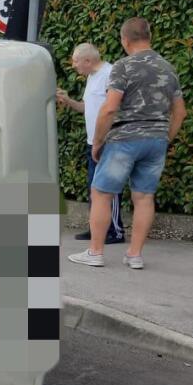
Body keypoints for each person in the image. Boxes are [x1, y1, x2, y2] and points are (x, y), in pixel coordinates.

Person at [69, 18, 186, 269]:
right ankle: (134, 255)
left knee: (101, 193)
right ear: (149, 35)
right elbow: (180, 112)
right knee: (144, 197)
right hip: (156, 140)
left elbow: (109, 109)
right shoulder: (168, 68)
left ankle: (96, 252)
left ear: (125, 39)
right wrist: (165, 139)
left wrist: (98, 141)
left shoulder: (123, 67)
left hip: (124, 139)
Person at [57, 42, 125, 244]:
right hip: (93, 141)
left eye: (76, 62)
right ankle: (97, 228)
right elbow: (86, 107)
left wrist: (104, 137)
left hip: (109, 141)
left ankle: (115, 231)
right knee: (93, 187)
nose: (74, 66)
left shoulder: (110, 73)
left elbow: (114, 108)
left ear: (88, 60)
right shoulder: (92, 77)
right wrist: (68, 100)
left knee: (109, 187)